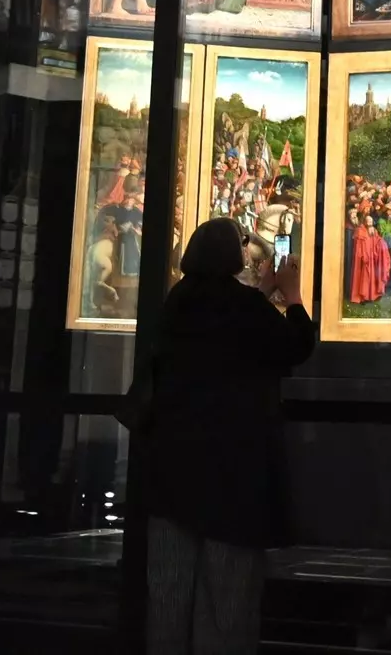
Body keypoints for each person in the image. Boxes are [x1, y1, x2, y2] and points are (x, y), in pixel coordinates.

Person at [141, 219, 316, 653]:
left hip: (172, 468)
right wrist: (291, 296)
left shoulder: (178, 301)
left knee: (168, 594)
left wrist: (259, 294)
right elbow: (294, 344)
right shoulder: (243, 307)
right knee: (227, 599)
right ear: (232, 255)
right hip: (232, 473)